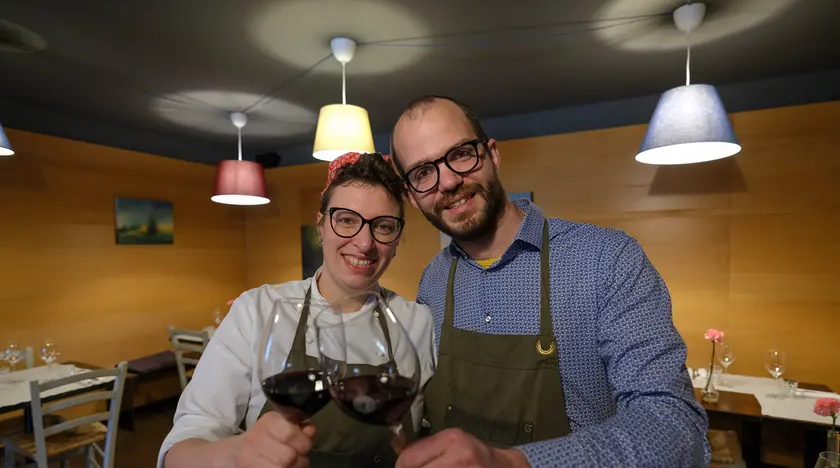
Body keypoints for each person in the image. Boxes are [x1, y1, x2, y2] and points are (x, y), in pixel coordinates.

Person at [388, 95, 709, 467]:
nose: (447, 181)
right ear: (412, 196)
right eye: (423, 173)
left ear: (492, 155)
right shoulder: (433, 278)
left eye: (460, 154)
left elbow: (674, 425)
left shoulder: (607, 260)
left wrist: (513, 464)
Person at [159, 152, 436, 468]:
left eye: (383, 226)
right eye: (346, 220)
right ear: (321, 226)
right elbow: (180, 451)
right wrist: (235, 455)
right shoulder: (257, 311)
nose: (364, 243)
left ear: (397, 239)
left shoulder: (418, 322)